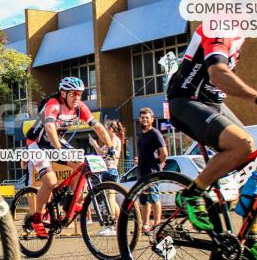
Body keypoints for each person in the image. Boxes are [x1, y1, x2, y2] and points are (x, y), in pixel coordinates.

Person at [167, 0, 257, 260]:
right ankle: (191, 195)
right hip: (187, 99)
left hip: (212, 103)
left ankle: (250, 239)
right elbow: (218, 73)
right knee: (242, 143)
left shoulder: (240, 27)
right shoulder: (222, 20)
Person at [24, 77, 114, 239]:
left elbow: (97, 126)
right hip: (37, 143)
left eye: (80, 94)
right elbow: (50, 127)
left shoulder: (79, 107)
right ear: (63, 94)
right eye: (74, 94)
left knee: (82, 165)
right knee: (50, 181)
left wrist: (111, 147)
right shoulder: (53, 104)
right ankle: (37, 219)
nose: (77, 97)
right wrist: (59, 150)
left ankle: (69, 202)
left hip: (56, 141)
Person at [89, 119, 125, 234]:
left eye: (105, 128)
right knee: (112, 199)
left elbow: (102, 153)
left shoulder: (113, 140)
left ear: (110, 129)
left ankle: (111, 225)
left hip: (109, 169)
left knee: (110, 198)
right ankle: (117, 224)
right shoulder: (115, 140)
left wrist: (94, 144)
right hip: (111, 170)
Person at [135, 108, 168, 234]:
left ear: (152, 119)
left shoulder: (155, 133)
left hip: (152, 173)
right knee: (144, 200)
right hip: (142, 172)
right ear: (140, 119)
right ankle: (145, 226)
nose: (144, 119)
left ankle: (158, 226)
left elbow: (164, 152)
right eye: (142, 117)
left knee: (154, 198)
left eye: (147, 117)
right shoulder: (142, 135)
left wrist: (159, 163)